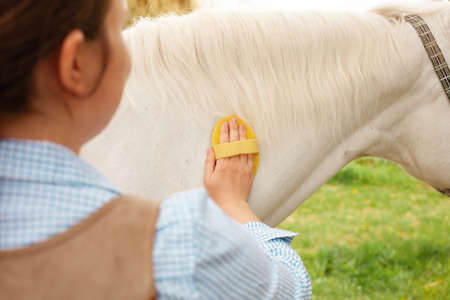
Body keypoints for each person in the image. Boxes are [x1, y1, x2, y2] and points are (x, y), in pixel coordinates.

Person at [0, 0, 312, 299]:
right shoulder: (174, 242)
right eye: (120, 30)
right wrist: (233, 204)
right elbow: (293, 290)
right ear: (76, 64)